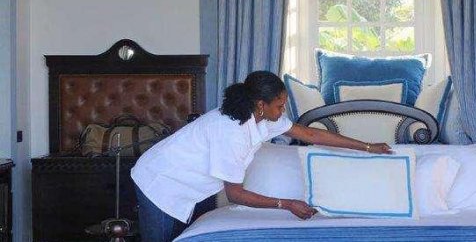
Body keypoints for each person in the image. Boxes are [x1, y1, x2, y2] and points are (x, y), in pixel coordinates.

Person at [131, 70, 391, 242]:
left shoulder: (264, 119)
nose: (283, 111)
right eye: (279, 106)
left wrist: (368, 147)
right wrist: (286, 204)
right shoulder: (231, 132)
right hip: (159, 182)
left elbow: (310, 134)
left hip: (193, 185)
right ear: (260, 104)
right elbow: (235, 195)